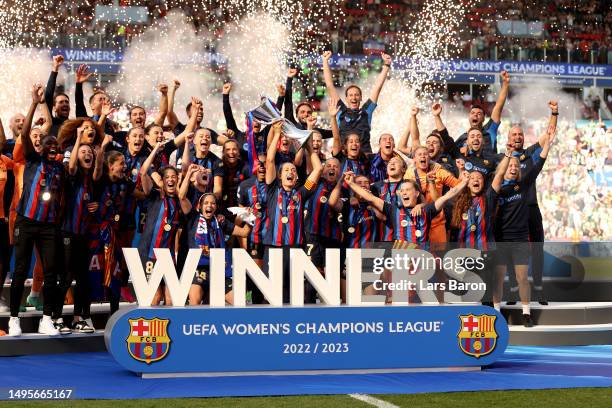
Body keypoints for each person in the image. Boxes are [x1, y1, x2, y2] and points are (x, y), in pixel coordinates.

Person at [9, 85, 65, 336]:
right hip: (26, 221)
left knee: (51, 271)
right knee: (20, 269)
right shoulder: (31, 159)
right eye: (47, 146)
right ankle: (13, 319)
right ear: (40, 147)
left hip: (49, 226)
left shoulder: (61, 170)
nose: (52, 149)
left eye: (56, 147)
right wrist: (34, 103)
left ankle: (47, 318)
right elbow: (24, 136)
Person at [492, 125, 555, 327]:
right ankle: (496, 312)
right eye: (510, 166)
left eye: (516, 166)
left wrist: (549, 144)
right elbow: (498, 176)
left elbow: (541, 161)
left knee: (522, 278)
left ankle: (526, 313)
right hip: (501, 239)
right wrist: (508, 156)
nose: (513, 168)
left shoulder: (525, 183)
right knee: (499, 278)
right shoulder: (496, 189)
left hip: (519, 239)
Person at [504, 101, 559, 305]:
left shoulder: (530, 153)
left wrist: (554, 112)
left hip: (531, 209)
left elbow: (549, 132)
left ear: (523, 138)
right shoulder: (502, 159)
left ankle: (538, 289)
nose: (517, 137)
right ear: (508, 139)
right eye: (514, 135)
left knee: (537, 249)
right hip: (510, 213)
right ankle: (513, 289)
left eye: (520, 134)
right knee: (509, 252)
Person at [264, 122, 323, 302]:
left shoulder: (301, 192)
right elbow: (270, 160)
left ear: (297, 177)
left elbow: (318, 169)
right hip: (274, 248)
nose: (290, 172)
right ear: (280, 175)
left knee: (294, 293)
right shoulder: (272, 190)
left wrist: (308, 146)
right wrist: (275, 134)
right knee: (272, 293)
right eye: (286, 170)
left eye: (293, 170)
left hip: (296, 248)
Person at [56, 127, 103, 334]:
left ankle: (78, 318)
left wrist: (96, 206)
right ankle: (56, 317)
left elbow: (98, 173)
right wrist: (77, 139)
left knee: (83, 278)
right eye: (84, 152)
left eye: (89, 153)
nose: (87, 155)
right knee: (66, 277)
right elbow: (72, 164)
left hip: (84, 234)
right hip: (67, 232)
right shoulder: (72, 175)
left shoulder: (92, 180)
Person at [138, 142, 190, 305]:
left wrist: (187, 143)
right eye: (167, 177)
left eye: (173, 177)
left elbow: (186, 169)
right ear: (162, 180)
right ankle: (150, 329)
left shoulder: (180, 200)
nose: (170, 180)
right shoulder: (154, 196)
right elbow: (144, 171)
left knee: (172, 299)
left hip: (167, 257)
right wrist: (155, 150)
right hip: (149, 253)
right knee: (155, 297)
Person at [181, 188, 251, 306]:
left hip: (219, 269)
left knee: (240, 303)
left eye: (213, 203)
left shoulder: (220, 221)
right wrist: (189, 174)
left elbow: (244, 233)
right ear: (200, 206)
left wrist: (249, 218)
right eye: (206, 203)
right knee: (195, 301)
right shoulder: (192, 218)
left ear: (216, 207)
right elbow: (182, 197)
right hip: (200, 268)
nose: (210, 205)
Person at [322, 51, 392, 154]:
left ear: (361, 98)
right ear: (346, 98)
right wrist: (325, 61)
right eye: (350, 95)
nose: (353, 97)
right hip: (345, 158)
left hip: (365, 158)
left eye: (356, 95)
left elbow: (377, 88)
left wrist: (386, 65)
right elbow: (329, 85)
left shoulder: (366, 111)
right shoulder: (340, 111)